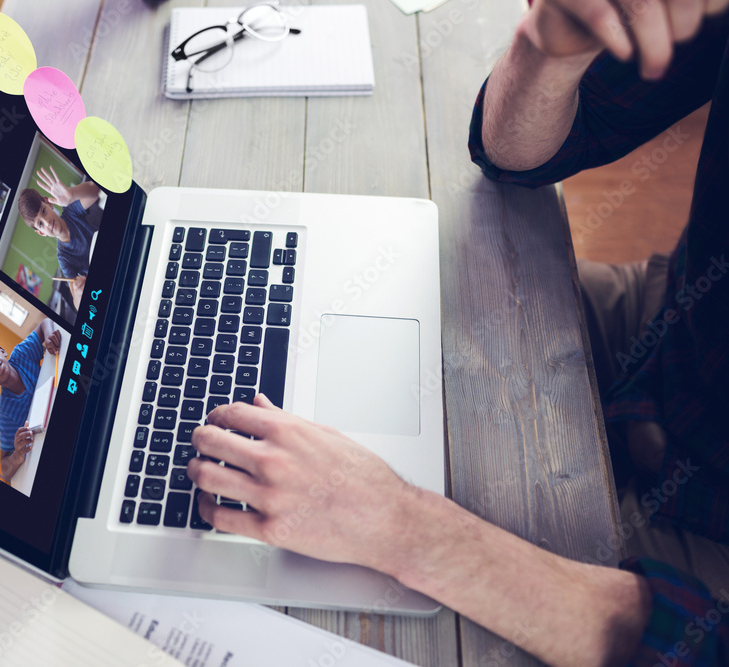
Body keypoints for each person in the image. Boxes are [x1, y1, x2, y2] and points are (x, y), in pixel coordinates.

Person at [186, 1, 729, 664]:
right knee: (343, 295)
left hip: (703, 556)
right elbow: (515, 151)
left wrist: (404, 527)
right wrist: (551, 47)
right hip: (669, 334)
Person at [0, 318, 61, 483]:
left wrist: (48, 336)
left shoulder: (21, 355)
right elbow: (1, 469)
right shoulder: (6, 411)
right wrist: (17, 455)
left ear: (2, 351)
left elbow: (44, 323)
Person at [16, 167, 103, 311]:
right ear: (41, 233)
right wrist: (79, 293)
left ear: (49, 205)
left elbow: (96, 191)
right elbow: (77, 304)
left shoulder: (71, 212)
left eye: (44, 211)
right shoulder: (63, 257)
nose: (47, 222)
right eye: (40, 224)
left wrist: (72, 194)